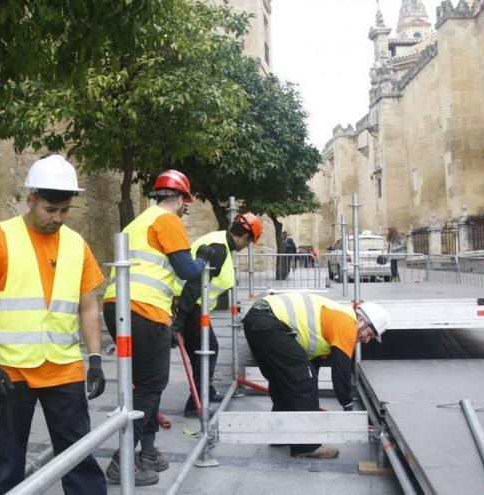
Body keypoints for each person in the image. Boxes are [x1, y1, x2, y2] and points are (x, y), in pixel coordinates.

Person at [0, 155, 107, 495]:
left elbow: (89, 308)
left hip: (64, 367)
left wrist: (96, 359)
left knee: (78, 456)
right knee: (5, 458)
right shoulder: (0, 239)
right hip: (10, 370)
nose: (57, 218)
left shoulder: (76, 244)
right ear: (31, 200)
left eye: (64, 211)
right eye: (49, 210)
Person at [102, 169, 207, 486]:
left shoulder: (140, 221)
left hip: (118, 308)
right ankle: (122, 461)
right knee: (151, 385)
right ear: (180, 200)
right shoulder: (167, 220)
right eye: (186, 203)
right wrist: (204, 262)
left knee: (147, 385)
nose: (185, 209)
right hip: (143, 312)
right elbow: (187, 269)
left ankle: (147, 452)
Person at [241, 293, 391, 459]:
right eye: (369, 334)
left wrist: (308, 386)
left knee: (285, 380)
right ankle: (307, 445)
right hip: (270, 323)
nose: (367, 340)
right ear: (362, 321)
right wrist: (348, 406)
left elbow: (313, 367)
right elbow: (341, 370)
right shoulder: (347, 323)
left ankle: (280, 434)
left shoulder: (334, 322)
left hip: (257, 320)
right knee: (303, 380)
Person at [175, 213, 262, 417]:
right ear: (245, 238)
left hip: (191, 305)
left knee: (203, 350)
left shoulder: (219, 241)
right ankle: (196, 404)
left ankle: (204, 393)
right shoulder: (220, 248)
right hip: (189, 305)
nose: (246, 247)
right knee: (208, 348)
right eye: (249, 243)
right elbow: (195, 284)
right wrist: (180, 319)